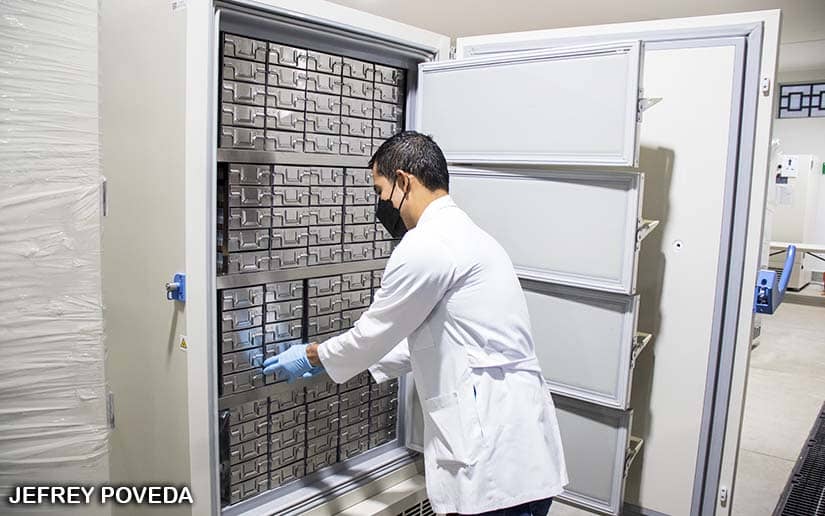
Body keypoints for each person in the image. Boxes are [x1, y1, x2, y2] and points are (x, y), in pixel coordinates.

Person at [263, 131, 568, 516]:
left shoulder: (429, 244)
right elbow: (436, 341)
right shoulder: (472, 237)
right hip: (523, 455)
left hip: (493, 467)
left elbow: (372, 333)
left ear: (404, 181)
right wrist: (348, 363)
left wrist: (313, 355)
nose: (382, 205)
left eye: (380, 191)